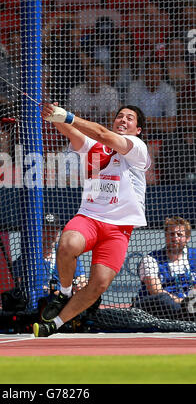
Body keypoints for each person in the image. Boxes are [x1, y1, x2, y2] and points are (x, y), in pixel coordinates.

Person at [33, 103, 151, 337]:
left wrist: (67, 116)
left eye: (129, 118)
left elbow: (100, 133)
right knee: (67, 245)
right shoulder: (94, 147)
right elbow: (72, 132)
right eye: (119, 116)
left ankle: (55, 323)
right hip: (90, 217)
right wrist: (53, 115)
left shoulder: (137, 147)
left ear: (137, 129)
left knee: (99, 285)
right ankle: (64, 293)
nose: (123, 120)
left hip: (119, 228)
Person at [132, 216, 196, 321]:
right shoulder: (150, 259)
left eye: (179, 235)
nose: (175, 238)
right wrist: (182, 302)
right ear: (166, 236)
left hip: (188, 305)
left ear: (188, 238)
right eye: (171, 234)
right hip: (159, 307)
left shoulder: (194, 256)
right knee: (163, 299)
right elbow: (155, 290)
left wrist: (190, 301)